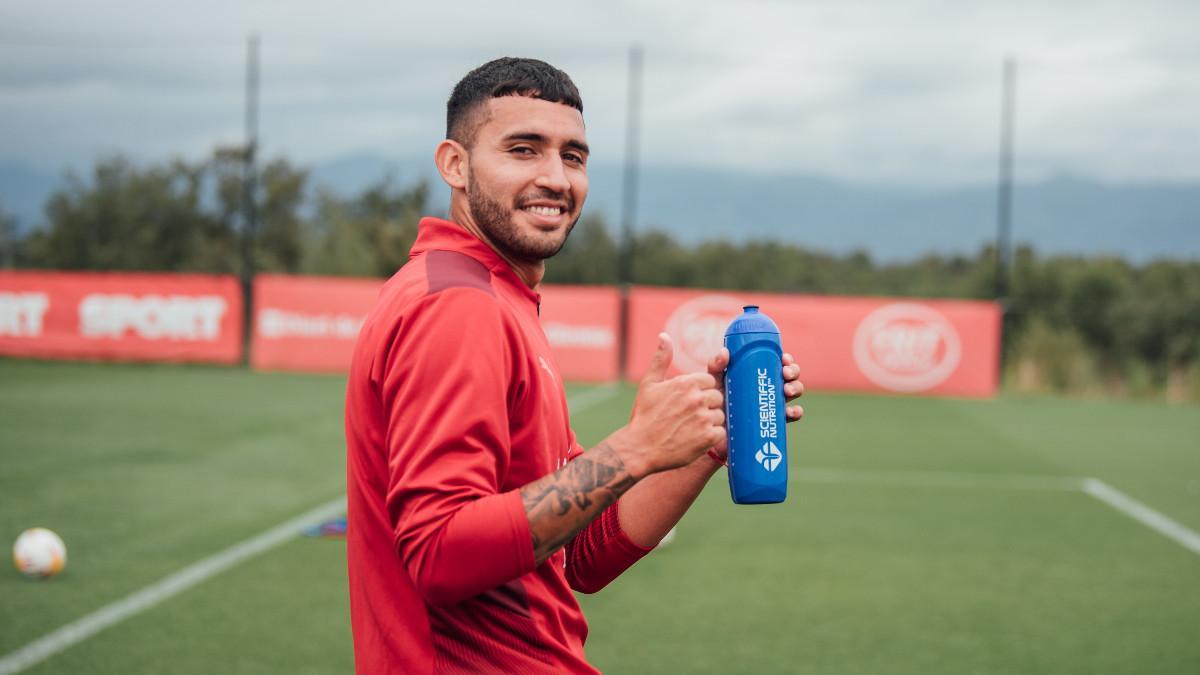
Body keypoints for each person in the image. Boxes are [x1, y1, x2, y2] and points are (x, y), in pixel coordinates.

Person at [344, 57, 805, 674]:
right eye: (523, 149)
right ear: (455, 164)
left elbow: (579, 555)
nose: (555, 177)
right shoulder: (458, 308)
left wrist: (703, 435)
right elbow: (440, 554)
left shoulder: (493, 296)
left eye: (573, 156)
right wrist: (631, 451)